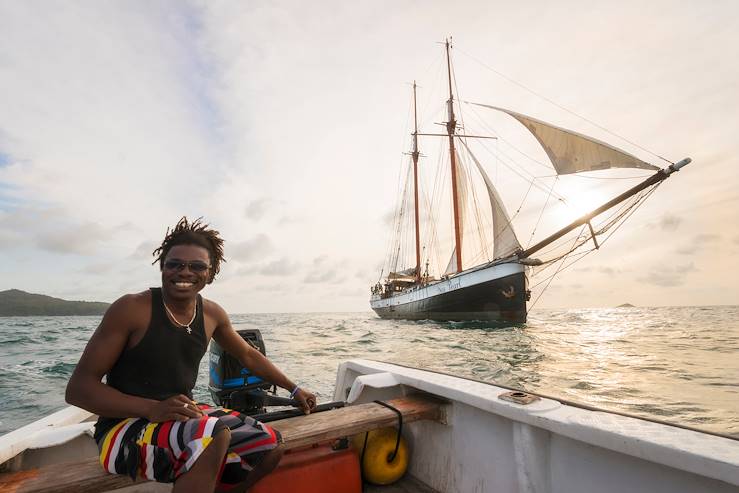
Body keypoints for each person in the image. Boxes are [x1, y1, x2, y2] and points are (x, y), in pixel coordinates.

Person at [66, 217, 316, 493]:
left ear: (210, 273)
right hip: (121, 430)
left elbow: (248, 355)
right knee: (212, 435)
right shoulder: (131, 309)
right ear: (162, 267)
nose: (184, 272)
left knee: (268, 445)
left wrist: (293, 389)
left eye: (196, 266)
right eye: (175, 264)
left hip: (178, 417)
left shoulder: (212, 314)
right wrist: (151, 409)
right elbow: (78, 390)